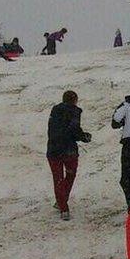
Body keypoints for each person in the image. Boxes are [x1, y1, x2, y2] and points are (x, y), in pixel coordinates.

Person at [46, 90, 91, 220]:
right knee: (70, 175)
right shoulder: (74, 111)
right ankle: (63, 206)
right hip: (68, 150)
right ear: (75, 100)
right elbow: (75, 130)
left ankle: (61, 202)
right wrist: (85, 137)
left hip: (53, 149)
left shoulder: (54, 111)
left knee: (58, 179)